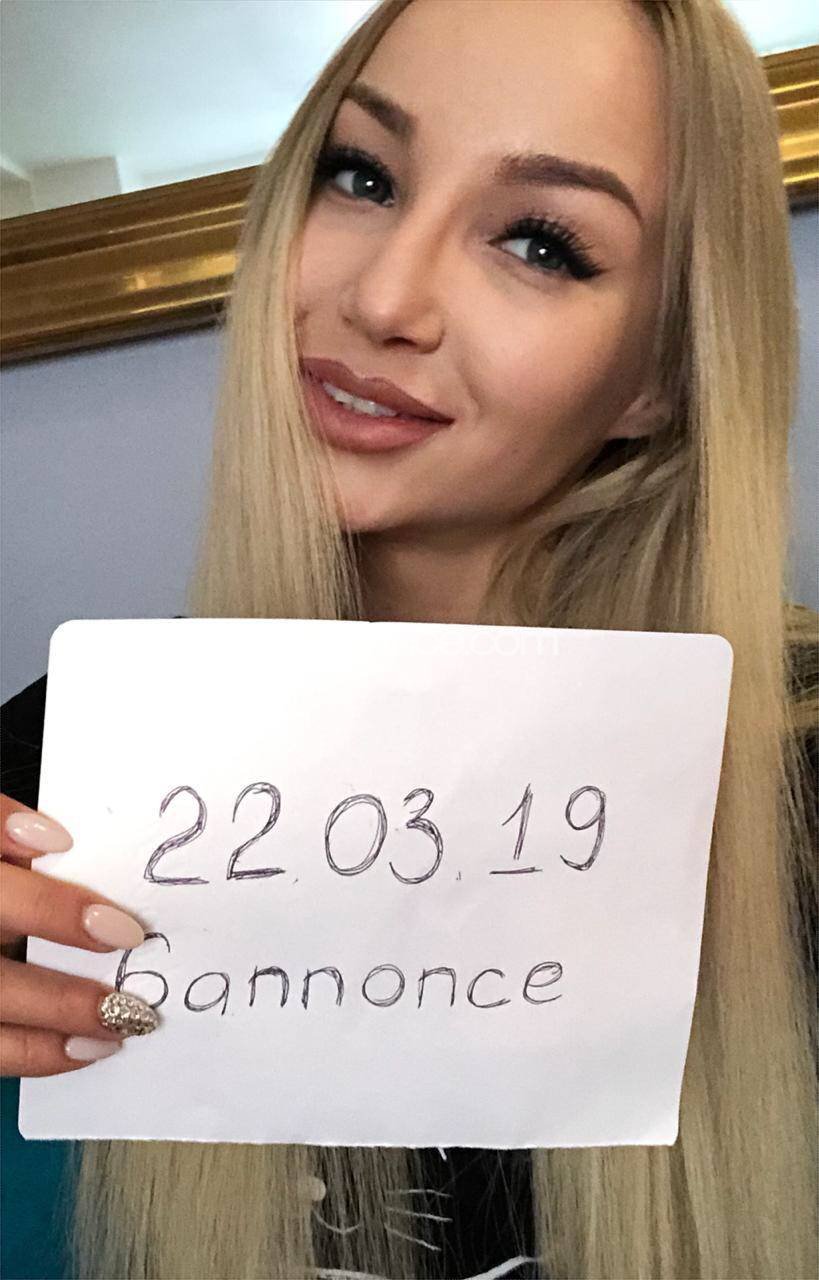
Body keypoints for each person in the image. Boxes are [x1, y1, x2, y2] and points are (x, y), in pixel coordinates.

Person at [0, 0, 816, 1277]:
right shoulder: (52, 770)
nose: (384, 297)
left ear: (662, 371)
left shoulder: (795, 786)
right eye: (363, 175)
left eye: (542, 243)